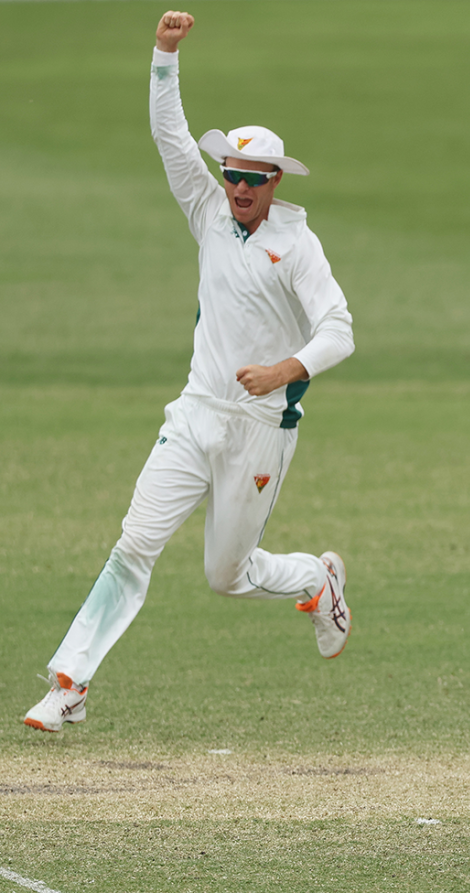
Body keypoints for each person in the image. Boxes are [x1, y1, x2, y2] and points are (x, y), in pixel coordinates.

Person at [23, 11, 355, 732]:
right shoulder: (207, 210)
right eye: (231, 174)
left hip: (262, 428)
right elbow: (172, 140)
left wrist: (283, 369)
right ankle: (69, 682)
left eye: (250, 179)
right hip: (197, 411)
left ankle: (315, 577)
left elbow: (340, 330)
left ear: (272, 183)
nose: (236, 187)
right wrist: (163, 56)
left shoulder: (297, 245)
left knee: (225, 577)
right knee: (135, 542)